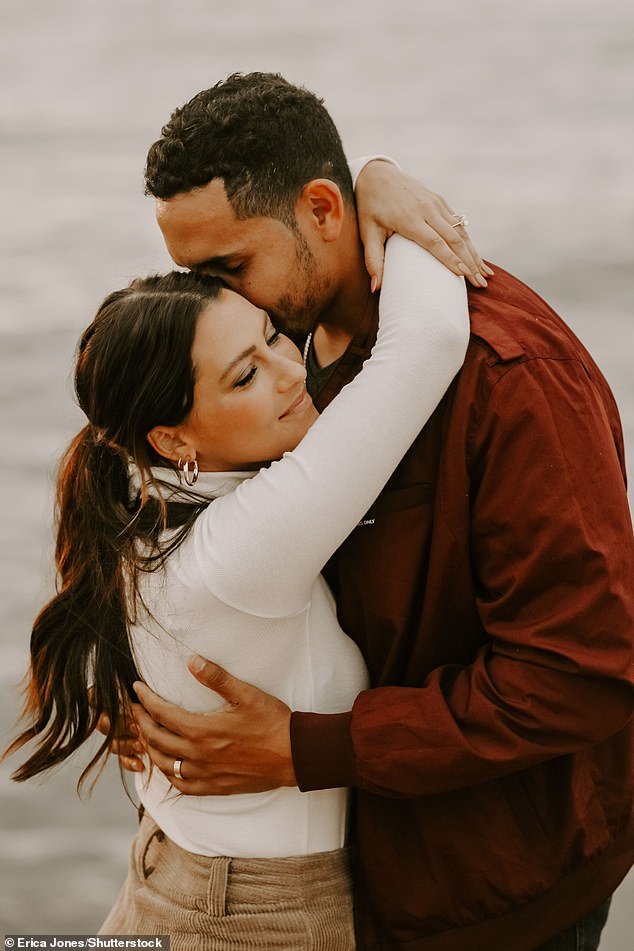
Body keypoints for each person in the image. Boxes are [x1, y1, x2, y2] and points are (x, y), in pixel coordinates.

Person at [122, 72, 634, 951]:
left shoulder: (510, 382)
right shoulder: (279, 351)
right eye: (192, 276)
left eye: (228, 269)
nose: (214, 306)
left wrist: (307, 748)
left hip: (488, 892)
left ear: (324, 209)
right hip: (340, 873)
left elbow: (582, 673)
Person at [6, 217, 470, 948]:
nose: (293, 370)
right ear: (175, 439)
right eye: (246, 375)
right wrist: (383, 186)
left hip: (170, 875)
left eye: (273, 334)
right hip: (253, 919)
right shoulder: (243, 543)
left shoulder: (136, 505)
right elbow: (435, 337)